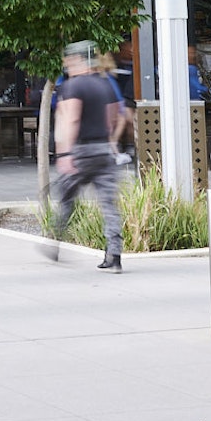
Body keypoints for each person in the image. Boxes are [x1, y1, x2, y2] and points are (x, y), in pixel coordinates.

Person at [46, 42, 126, 272]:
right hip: (104, 150)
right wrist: (109, 143)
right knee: (109, 204)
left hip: (81, 151)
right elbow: (113, 118)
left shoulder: (72, 87)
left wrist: (65, 153)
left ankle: (55, 241)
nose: (67, 65)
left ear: (78, 61)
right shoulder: (106, 85)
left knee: (67, 196)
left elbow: (71, 120)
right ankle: (115, 255)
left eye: (69, 61)